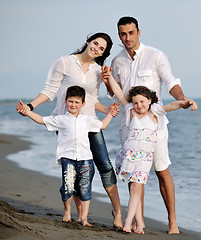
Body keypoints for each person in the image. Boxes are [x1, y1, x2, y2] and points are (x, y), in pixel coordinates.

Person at [16, 32, 123, 229]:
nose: (97, 49)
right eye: (96, 43)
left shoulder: (99, 70)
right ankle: (81, 214)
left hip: (89, 122)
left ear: (103, 53)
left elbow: (92, 100)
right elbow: (49, 90)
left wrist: (108, 109)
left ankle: (117, 211)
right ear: (89, 41)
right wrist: (30, 107)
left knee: (104, 164)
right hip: (66, 123)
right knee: (74, 166)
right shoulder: (64, 62)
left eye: (102, 49)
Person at [101, 16, 198, 234]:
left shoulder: (156, 56)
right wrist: (107, 80)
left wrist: (182, 99)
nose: (127, 38)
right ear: (119, 36)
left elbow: (171, 82)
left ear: (139, 32)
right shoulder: (117, 61)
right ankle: (138, 220)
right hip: (128, 126)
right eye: (123, 34)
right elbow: (113, 92)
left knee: (162, 171)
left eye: (131, 33)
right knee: (133, 174)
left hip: (155, 126)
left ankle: (172, 221)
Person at [102, 79, 197, 233]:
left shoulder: (155, 112)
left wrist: (188, 101)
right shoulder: (131, 111)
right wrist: (110, 77)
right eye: (136, 102)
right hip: (129, 157)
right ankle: (139, 225)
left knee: (135, 188)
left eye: (142, 101)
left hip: (144, 160)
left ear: (150, 100)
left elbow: (173, 105)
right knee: (135, 189)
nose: (139, 105)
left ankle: (128, 222)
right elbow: (119, 93)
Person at [18, 86, 118, 226]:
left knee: (85, 188)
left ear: (83, 104)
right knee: (68, 187)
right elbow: (41, 120)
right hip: (68, 158)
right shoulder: (60, 119)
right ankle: (67, 210)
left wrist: (111, 114)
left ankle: (84, 218)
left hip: (86, 159)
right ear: (65, 101)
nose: (73, 105)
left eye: (77, 102)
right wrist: (28, 111)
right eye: (71, 101)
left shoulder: (87, 120)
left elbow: (102, 126)